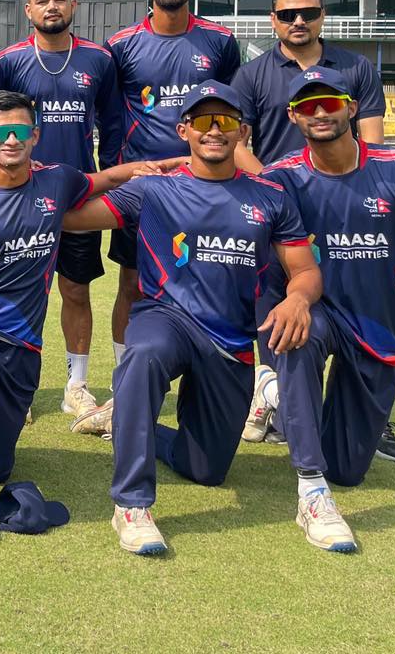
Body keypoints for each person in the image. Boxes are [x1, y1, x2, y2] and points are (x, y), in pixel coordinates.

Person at [65, 81, 321, 555]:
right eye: (203, 120)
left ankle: (125, 421)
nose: (215, 130)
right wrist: (115, 172)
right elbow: (70, 217)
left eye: (226, 121)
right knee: (144, 354)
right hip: (167, 318)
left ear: (242, 132)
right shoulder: (153, 190)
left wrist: (297, 300)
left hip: (229, 341)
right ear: (184, 130)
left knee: (207, 471)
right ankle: (131, 505)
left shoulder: (270, 196)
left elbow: (304, 271)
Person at [0, 90, 166, 538]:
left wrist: (168, 165)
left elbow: (103, 180)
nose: (11, 139)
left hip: (21, 342)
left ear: (36, 136)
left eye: (20, 130)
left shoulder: (56, 181)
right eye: (1, 132)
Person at [262, 67, 395, 549]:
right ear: (293, 116)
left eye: (330, 101)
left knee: (348, 470)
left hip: (376, 327)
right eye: (307, 105)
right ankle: (311, 490)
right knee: (298, 334)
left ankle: (280, 403)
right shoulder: (281, 178)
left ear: (352, 108)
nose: (319, 111)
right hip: (315, 314)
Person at [229, 0, 392, 454]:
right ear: (273, 21)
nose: (298, 21)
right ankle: (274, 397)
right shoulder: (252, 75)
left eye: (308, 12)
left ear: (322, 16)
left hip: (347, 207)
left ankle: (369, 414)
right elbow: (236, 143)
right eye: (287, 15)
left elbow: (373, 141)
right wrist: (276, 189)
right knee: (277, 303)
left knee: (360, 305)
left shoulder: (355, 68)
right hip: (282, 212)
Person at [90, 0, 239, 431]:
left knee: (209, 281)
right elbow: (110, 118)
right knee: (132, 284)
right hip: (147, 188)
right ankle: (125, 388)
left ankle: (218, 382)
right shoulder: (121, 45)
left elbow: (233, 113)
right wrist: (117, 175)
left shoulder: (220, 41)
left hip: (206, 186)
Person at [0, 0, 119, 419]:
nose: (52, 6)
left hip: (75, 195)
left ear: (73, 6)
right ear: (28, 10)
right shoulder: (9, 61)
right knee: (13, 290)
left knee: (76, 290)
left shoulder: (98, 59)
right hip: (18, 197)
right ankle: (10, 383)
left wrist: (112, 174)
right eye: (42, 0)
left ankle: (76, 385)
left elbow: (114, 124)